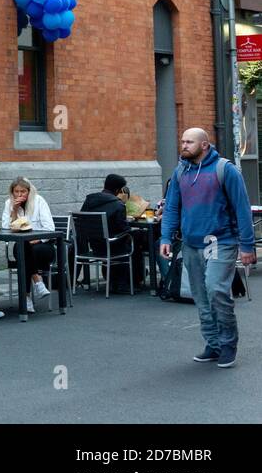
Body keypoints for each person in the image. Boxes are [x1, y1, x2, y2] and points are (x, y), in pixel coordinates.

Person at [159, 128, 256, 369]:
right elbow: (172, 206)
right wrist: (166, 237)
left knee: (216, 290)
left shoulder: (225, 170)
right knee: (200, 296)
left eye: (189, 142)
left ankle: (227, 345)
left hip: (220, 241)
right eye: (182, 141)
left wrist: (247, 245)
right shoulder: (181, 171)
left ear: (204, 145)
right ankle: (212, 344)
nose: (183, 145)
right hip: (191, 243)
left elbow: (242, 208)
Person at [1, 177, 54, 312]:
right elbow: (5, 228)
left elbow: (49, 228)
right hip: (22, 246)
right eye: (16, 192)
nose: (19, 195)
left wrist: (36, 239)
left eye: (23, 191)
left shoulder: (38, 201)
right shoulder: (9, 203)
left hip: (43, 246)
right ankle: (37, 280)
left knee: (23, 254)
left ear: (29, 191)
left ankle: (26, 297)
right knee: (23, 249)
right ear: (12, 192)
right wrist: (14, 210)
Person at [80, 173, 139, 290]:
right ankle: (127, 281)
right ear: (118, 189)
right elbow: (124, 229)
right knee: (135, 238)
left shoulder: (89, 200)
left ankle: (112, 279)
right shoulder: (118, 205)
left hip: (94, 246)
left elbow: (82, 221)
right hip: (112, 247)